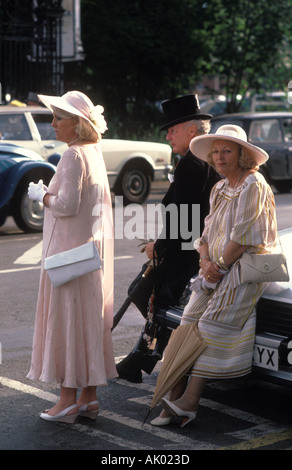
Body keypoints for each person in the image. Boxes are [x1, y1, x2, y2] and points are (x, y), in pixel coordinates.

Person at [150, 124, 278, 427]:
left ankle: (189, 402)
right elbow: (205, 234)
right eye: (216, 151)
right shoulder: (220, 187)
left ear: (242, 155)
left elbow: (243, 237)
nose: (219, 157)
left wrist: (216, 269)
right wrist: (205, 261)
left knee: (209, 325)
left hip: (247, 266)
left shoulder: (253, 183)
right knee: (187, 322)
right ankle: (172, 395)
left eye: (227, 151)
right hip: (215, 267)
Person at [26, 91, 117, 423]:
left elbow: (65, 206)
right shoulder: (93, 152)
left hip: (67, 257)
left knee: (66, 324)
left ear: (78, 124)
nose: (52, 124)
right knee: (87, 323)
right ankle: (89, 398)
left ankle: (65, 400)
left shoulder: (73, 156)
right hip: (88, 255)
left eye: (58, 118)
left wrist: (42, 194)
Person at [116, 94, 220, 383]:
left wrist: (157, 248)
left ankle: (152, 358)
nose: (167, 135)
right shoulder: (203, 159)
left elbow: (183, 219)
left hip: (185, 254)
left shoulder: (191, 163)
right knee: (149, 296)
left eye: (173, 129)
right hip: (192, 248)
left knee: (148, 295)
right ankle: (140, 359)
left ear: (192, 130)